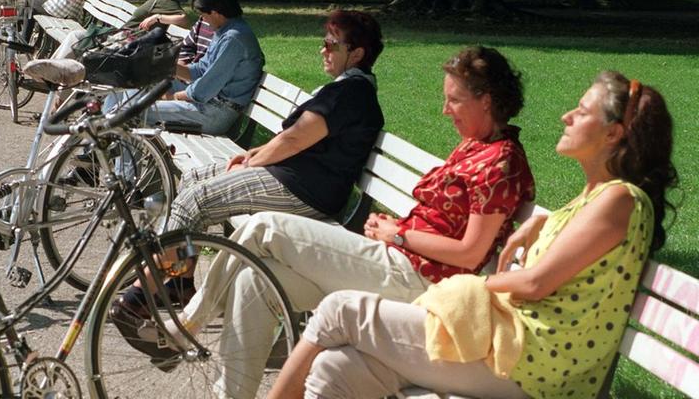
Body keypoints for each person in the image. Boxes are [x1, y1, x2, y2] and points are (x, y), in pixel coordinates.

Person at [131, 45, 536, 398]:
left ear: (486, 100)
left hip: (422, 280)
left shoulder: (500, 162)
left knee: (264, 228)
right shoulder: (475, 146)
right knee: (254, 282)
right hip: (396, 259)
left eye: (455, 100)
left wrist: (402, 234)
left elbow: (470, 253)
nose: (445, 110)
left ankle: (186, 324)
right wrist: (397, 232)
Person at [270, 71, 678, 399]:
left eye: (583, 111)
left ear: (613, 135)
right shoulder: (597, 198)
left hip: (533, 366)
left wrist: (481, 286)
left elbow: (535, 282)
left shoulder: (621, 199)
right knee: (338, 368)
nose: (566, 116)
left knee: (342, 311)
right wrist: (538, 224)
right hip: (515, 349)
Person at [112, 9, 386, 322]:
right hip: (292, 177)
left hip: (303, 190)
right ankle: (179, 280)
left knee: (195, 201)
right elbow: (294, 140)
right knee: (193, 179)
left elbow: (294, 140)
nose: (323, 50)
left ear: (358, 53)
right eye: (324, 42)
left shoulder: (350, 94)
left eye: (332, 45)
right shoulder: (348, 89)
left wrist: (253, 162)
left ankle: (141, 291)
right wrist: (254, 153)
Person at [101, 0, 263, 134]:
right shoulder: (224, 30)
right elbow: (199, 70)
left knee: (130, 113)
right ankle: (104, 135)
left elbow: (204, 89)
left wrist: (172, 96)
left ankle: (109, 144)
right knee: (134, 81)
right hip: (206, 102)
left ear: (215, 12)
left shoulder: (234, 39)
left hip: (214, 112)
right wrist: (159, 63)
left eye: (203, 15)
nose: (202, 20)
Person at [50, 0, 187, 60]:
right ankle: (51, 72)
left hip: (127, 44)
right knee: (75, 37)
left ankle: (52, 76)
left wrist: (158, 18)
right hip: (122, 38)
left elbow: (183, 18)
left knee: (79, 42)